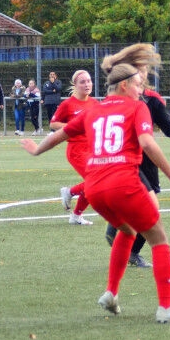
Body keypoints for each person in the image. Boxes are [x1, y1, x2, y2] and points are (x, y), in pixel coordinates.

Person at [21, 61, 170, 323]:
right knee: (159, 237)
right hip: (123, 182)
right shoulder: (137, 107)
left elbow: (61, 134)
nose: (141, 90)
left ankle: (111, 293)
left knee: (127, 230)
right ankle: (166, 308)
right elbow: (147, 142)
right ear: (124, 85)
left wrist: (36, 150)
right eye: (138, 85)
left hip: (94, 189)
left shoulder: (95, 109)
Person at [103, 44, 170, 269]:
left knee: (149, 207)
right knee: (148, 206)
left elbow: (166, 123)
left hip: (147, 160)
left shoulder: (151, 99)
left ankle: (125, 243)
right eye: (139, 69)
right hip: (126, 159)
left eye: (144, 70)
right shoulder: (118, 99)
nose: (144, 73)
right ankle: (126, 244)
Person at [53, 70, 99, 226]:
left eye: (89, 81)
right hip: (77, 150)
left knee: (96, 182)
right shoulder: (68, 104)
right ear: (75, 85)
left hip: (93, 149)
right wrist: (74, 127)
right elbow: (53, 124)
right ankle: (70, 192)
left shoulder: (94, 103)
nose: (87, 84)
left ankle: (76, 215)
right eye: (82, 82)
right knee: (96, 181)